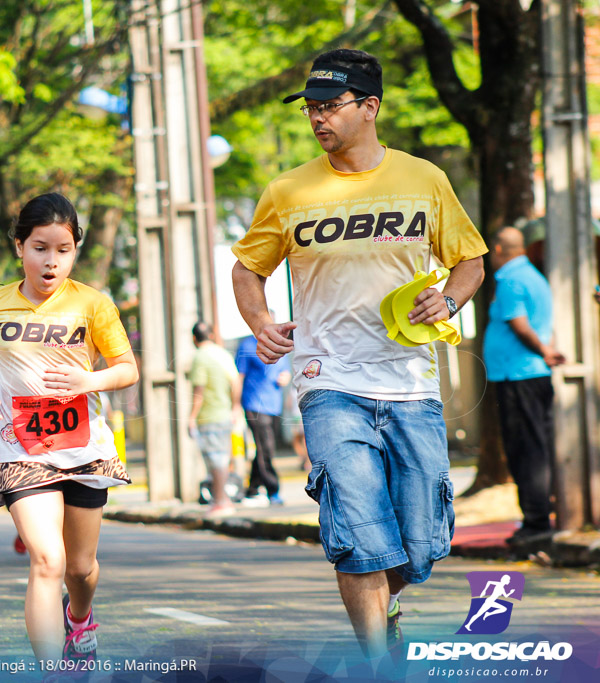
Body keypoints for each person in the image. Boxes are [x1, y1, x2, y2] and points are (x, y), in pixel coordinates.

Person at [231, 48, 487, 662]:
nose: (318, 118)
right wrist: (262, 322)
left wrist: (447, 303)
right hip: (328, 378)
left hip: (409, 381)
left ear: (369, 108)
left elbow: (469, 261)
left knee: (421, 540)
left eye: (330, 106)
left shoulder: (423, 179)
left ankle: (388, 605)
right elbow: (247, 269)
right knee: (358, 525)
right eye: (311, 109)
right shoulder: (289, 189)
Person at [0, 192, 139, 671]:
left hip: (83, 447)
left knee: (79, 568)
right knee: (46, 560)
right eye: (40, 248)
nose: (51, 261)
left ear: (75, 250)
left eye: (63, 250)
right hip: (20, 446)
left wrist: (91, 380)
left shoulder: (92, 304)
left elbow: (126, 367)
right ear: (19, 246)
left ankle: (80, 617)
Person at [483, 227, 564, 543]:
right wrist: (548, 350)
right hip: (533, 375)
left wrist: (544, 350)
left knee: (524, 450)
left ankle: (535, 523)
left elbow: (520, 325)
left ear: (499, 248)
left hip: (518, 376)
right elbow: (545, 323)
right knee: (537, 447)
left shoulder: (510, 279)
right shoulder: (534, 276)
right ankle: (540, 516)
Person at [187, 322, 241, 516]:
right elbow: (235, 381)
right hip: (225, 414)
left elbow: (198, 390)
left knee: (215, 460)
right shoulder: (222, 354)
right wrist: (235, 407)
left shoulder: (200, 357)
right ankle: (221, 500)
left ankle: (221, 501)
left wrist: (191, 417)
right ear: (210, 335)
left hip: (209, 416)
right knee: (222, 458)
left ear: (194, 338)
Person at [235, 331, 291, 506]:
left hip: (274, 405)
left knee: (263, 448)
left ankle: (252, 489)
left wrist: (285, 378)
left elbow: (286, 371)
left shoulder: (279, 344)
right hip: (254, 404)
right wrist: (235, 405)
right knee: (266, 448)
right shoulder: (247, 345)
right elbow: (239, 376)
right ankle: (273, 490)